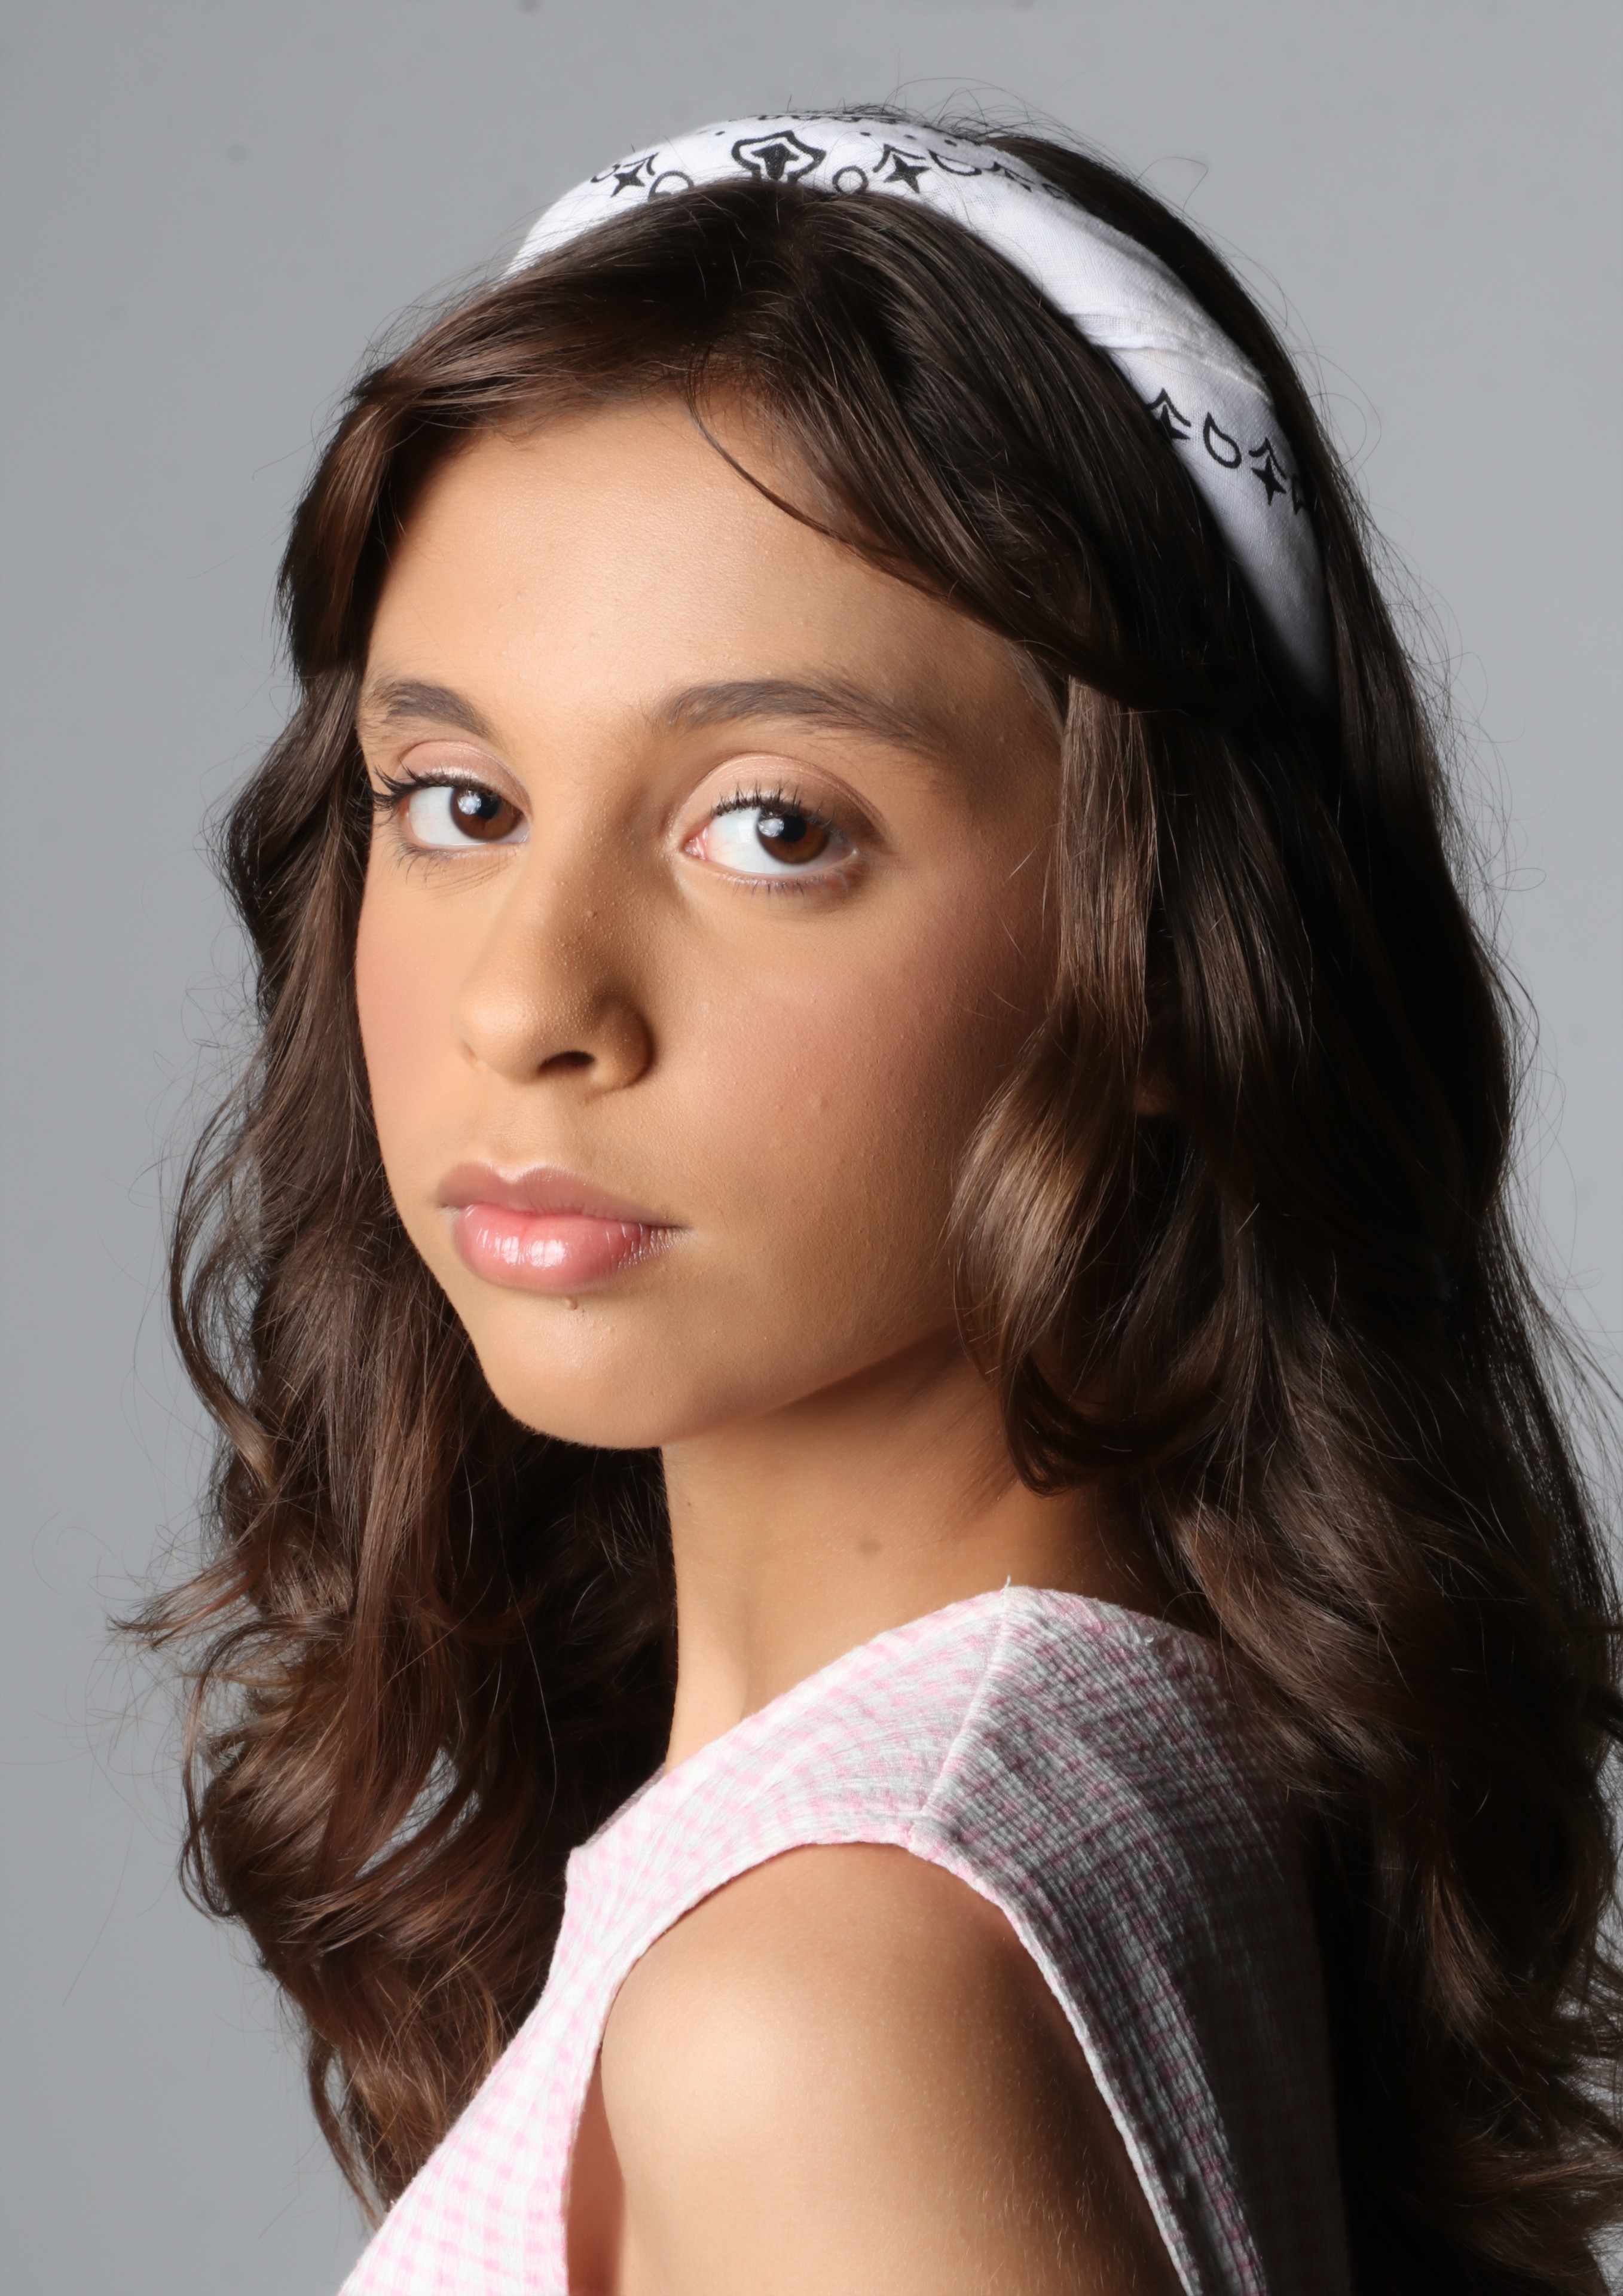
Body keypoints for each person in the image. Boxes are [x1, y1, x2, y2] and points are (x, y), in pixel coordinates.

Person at [144, 109, 1622, 2293]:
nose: (531, 1002)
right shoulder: (1119, 1776)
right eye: (455, 801)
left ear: (1158, 951)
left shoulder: (827, 1996)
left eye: (772, 826)